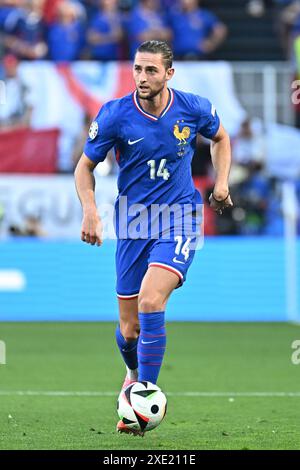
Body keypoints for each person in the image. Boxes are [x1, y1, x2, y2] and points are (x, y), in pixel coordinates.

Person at [74, 40, 233, 435]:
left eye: (151, 71)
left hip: (179, 217)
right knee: (129, 329)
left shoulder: (193, 108)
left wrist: (222, 183)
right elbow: (84, 168)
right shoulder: (114, 115)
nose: (142, 77)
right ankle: (132, 373)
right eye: (138, 69)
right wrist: (90, 210)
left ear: (169, 74)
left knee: (151, 299)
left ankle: (144, 398)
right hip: (132, 224)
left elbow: (222, 138)